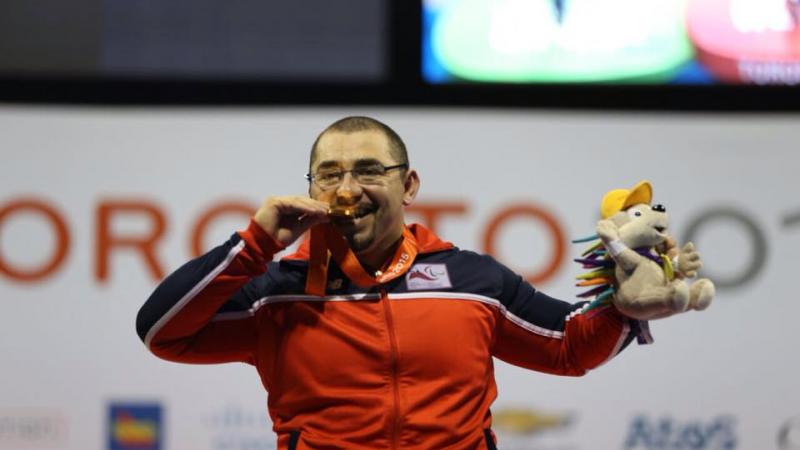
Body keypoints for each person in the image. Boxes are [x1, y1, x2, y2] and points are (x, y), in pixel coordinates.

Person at [136, 116, 646, 450]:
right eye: (329, 175)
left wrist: (626, 301)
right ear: (310, 188)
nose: (348, 189)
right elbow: (162, 333)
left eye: (368, 171)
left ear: (409, 185)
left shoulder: (472, 281)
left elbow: (572, 348)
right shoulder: (277, 291)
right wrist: (254, 245)